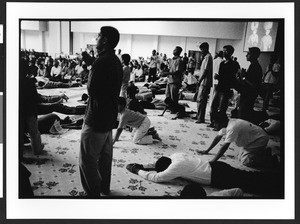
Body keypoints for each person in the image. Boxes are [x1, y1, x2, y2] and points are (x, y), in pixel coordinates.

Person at [79, 26, 123, 198]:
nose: (96, 38)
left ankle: (92, 194)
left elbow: (92, 90)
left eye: (98, 36)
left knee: (88, 159)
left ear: (104, 40)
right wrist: (93, 63)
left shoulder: (101, 61)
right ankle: (104, 187)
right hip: (108, 118)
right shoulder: (114, 60)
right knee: (104, 159)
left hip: (95, 118)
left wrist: (91, 67)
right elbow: (105, 82)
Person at [126, 152, 283, 197]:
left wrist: (137, 170)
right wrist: (145, 165)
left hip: (218, 177)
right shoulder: (175, 155)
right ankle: (278, 178)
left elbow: (157, 177)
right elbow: (158, 163)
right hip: (218, 166)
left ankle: (281, 186)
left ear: (168, 168)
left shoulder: (175, 168)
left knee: (252, 184)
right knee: (249, 176)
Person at [196, 113, 276, 168]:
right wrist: (206, 150)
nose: (214, 125)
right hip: (252, 139)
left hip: (260, 139)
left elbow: (224, 147)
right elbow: (217, 138)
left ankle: (268, 157)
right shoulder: (226, 124)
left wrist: (213, 162)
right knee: (239, 157)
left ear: (220, 122)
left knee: (246, 161)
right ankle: (260, 152)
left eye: (215, 123)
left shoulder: (232, 128)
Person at [209, 45, 239, 130]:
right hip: (219, 87)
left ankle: (220, 125)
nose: (224, 52)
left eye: (226, 51)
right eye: (223, 51)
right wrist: (218, 78)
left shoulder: (234, 64)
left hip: (226, 89)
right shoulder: (222, 63)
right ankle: (214, 122)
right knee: (214, 106)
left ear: (230, 52)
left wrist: (219, 77)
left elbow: (231, 78)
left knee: (222, 108)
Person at [19, 58, 44, 160]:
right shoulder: (29, 82)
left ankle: (19, 154)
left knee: (19, 132)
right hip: (30, 109)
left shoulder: (12, 81)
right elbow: (35, 98)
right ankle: (37, 150)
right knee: (33, 131)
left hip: (19, 110)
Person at [236, 47, 263, 123]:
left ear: (254, 55)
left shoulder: (256, 67)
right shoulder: (252, 65)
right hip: (246, 94)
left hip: (249, 95)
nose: (246, 55)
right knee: (241, 114)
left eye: (248, 53)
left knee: (243, 116)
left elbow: (254, 85)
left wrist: (244, 78)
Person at [194, 42, 213, 124]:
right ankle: (198, 115)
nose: (201, 51)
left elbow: (206, 71)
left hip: (205, 83)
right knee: (199, 100)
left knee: (202, 100)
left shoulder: (208, 57)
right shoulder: (205, 57)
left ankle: (201, 118)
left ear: (205, 48)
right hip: (203, 82)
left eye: (202, 49)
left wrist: (199, 80)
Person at [207, 50, 223, 127]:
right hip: (219, 85)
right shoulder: (223, 62)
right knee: (219, 105)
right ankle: (216, 122)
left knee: (212, 103)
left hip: (213, 84)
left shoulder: (214, 61)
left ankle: (212, 121)